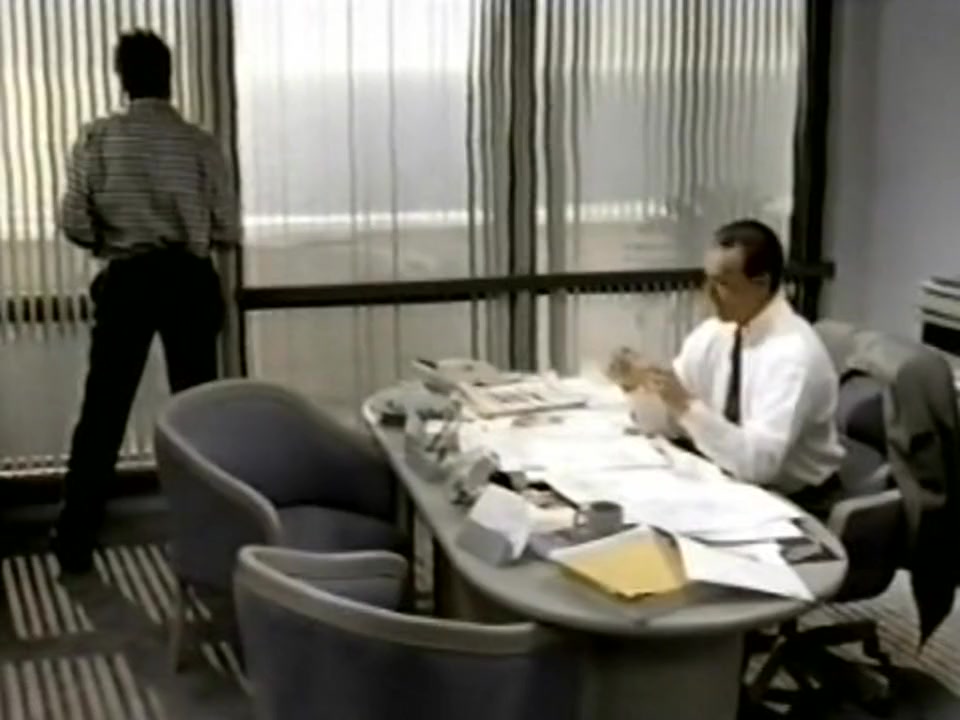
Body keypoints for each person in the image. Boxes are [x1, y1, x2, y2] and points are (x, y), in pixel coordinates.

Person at [53, 30, 240, 573]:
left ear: (122, 77)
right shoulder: (200, 144)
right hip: (188, 278)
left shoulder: (97, 140)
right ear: (169, 75)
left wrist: (110, 239)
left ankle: (75, 538)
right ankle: (211, 534)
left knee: (103, 412)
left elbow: (74, 221)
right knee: (199, 414)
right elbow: (227, 227)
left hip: (129, 280)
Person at [610, 219, 845, 514]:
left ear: (761, 283)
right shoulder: (716, 332)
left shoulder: (792, 355)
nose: (707, 293)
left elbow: (759, 465)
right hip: (730, 483)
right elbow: (672, 421)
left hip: (796, 502)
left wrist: (686, 406)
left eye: (723, 284)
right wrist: (640, 388)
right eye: (708, 279)